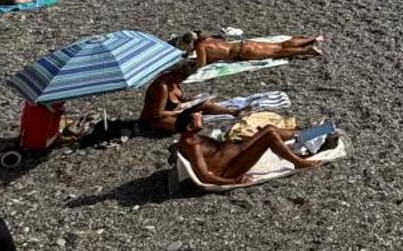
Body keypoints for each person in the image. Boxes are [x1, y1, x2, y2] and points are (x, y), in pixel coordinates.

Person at [171, 107, 331, 187]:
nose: (202, 118)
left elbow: (178, 151)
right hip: (231, 167)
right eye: (198, 118)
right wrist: (234, 180)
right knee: (270, 136)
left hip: (237, 151)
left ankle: (310, 133)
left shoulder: (190, 139)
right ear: (190, 127)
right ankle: (297, 162)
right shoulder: (192, 144)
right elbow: (205, 176)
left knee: (269, 128)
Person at [138, 62, 239, 135]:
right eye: (184, 78)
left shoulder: (173, 82)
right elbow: (158, 114)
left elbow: (179, 100)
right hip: (155, 120)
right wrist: (177, 113)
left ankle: (234, 112)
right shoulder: (162, 87)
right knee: (190, 125)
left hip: (177, 110)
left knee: (206, 103)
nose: (183, 81)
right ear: (177, 74)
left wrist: (191, 100)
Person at [174, 29, 325, 64]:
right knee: (280, 45)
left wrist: (191, 63)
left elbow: (201, 64)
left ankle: (307, 50)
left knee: (279, 52)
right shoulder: (208, 38)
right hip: (244, 44)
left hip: (244, 52)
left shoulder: (200, 47)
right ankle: (313, 38)